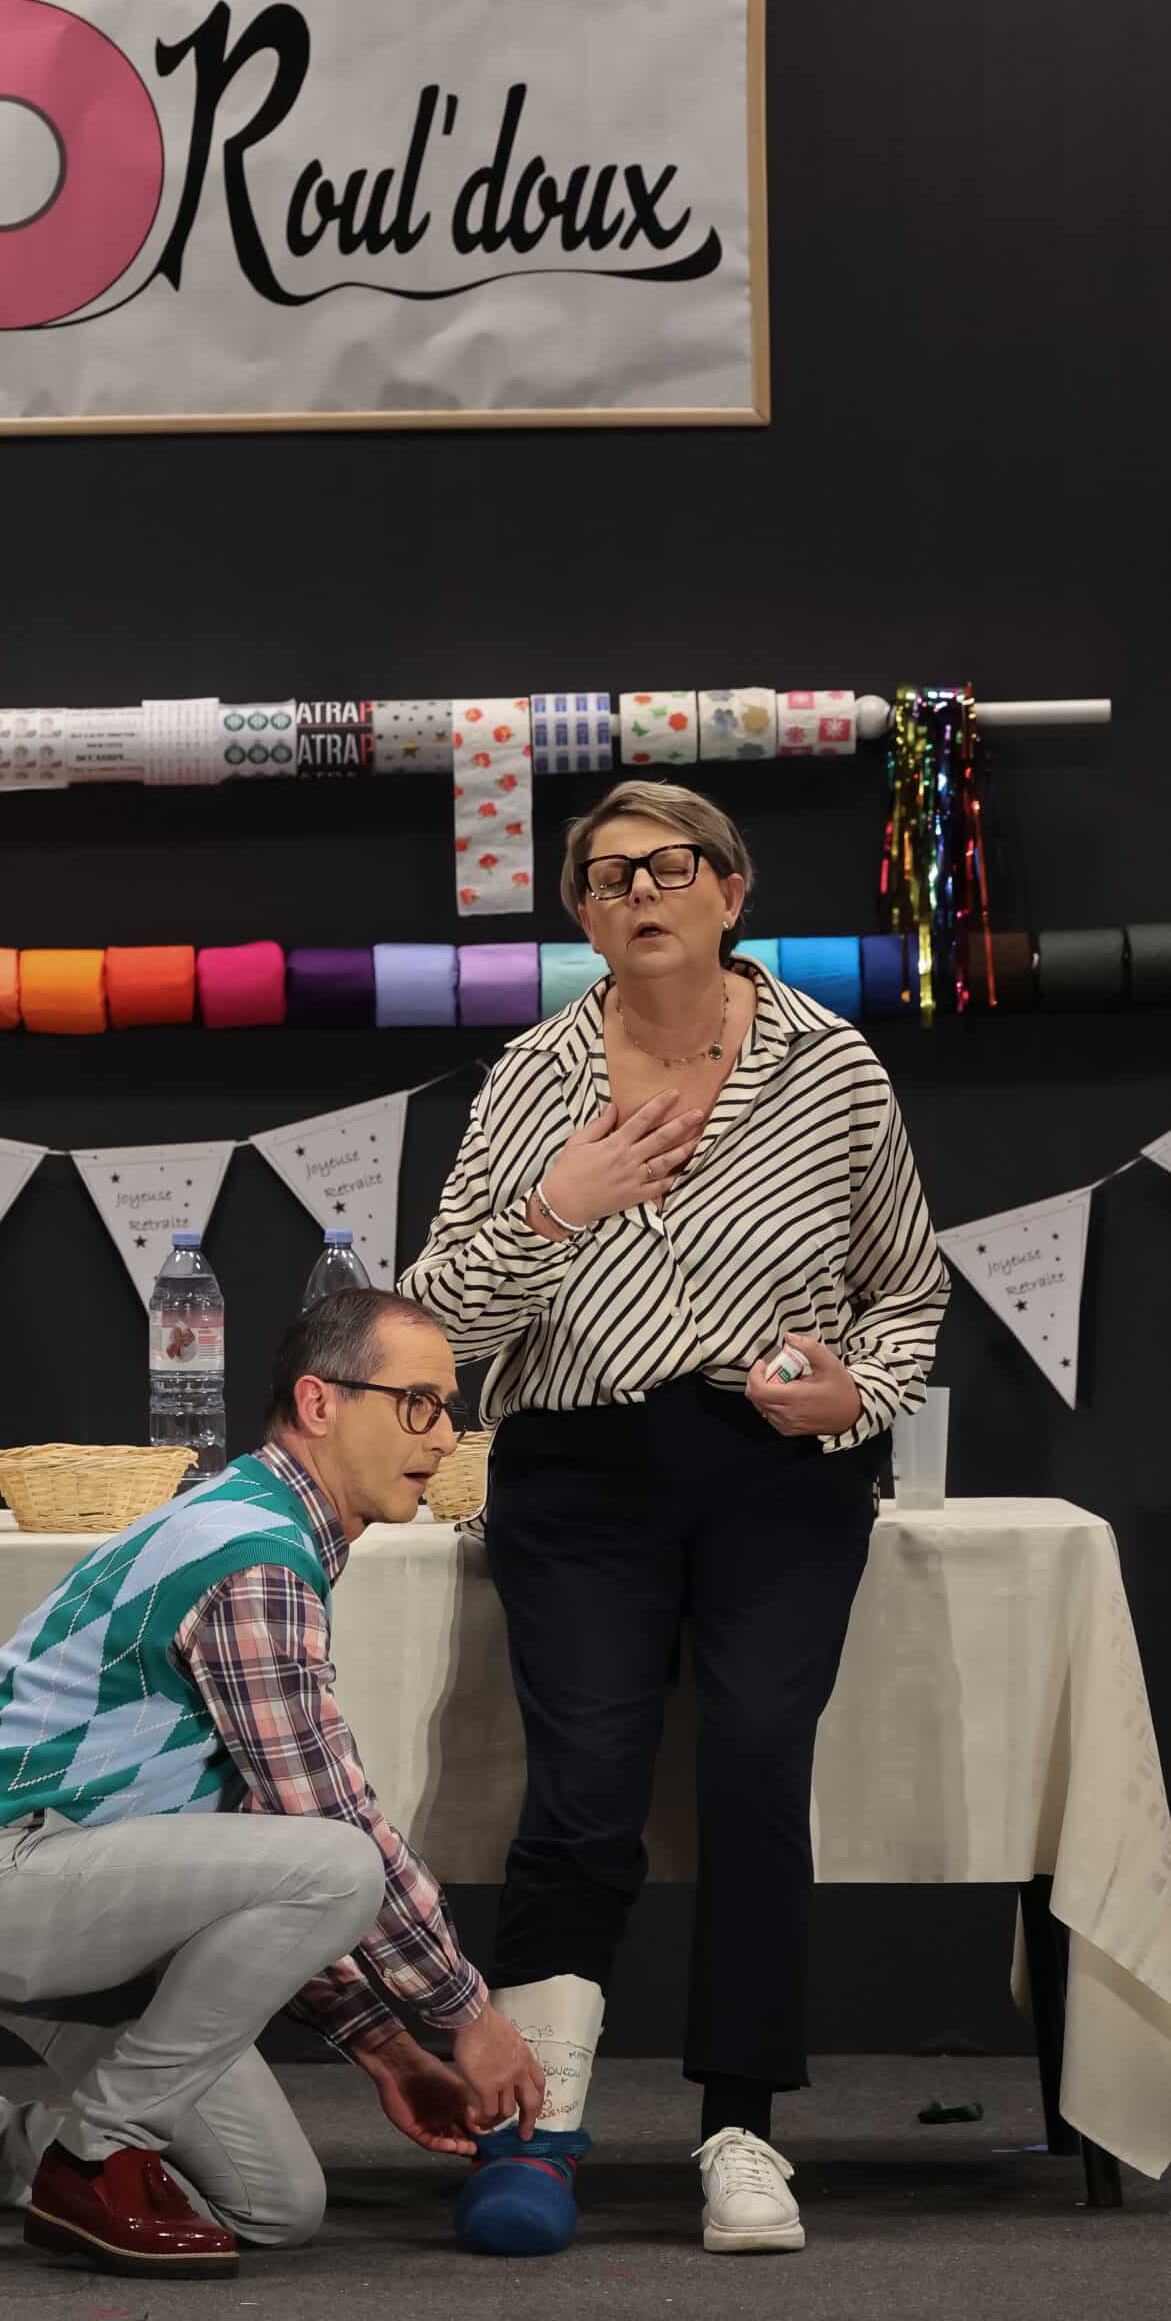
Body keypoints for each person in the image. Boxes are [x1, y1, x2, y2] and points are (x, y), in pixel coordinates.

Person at [402, 778, 950, 2257]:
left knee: (758, 1769)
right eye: (606, 876)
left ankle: (743, 2129)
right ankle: (535, 2130)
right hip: (577, 1472)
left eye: (670, 865)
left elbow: (907, 1290)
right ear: (581, 917)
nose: (640, 891)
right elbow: (439, 1320)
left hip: (778, 1474)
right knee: (582, 1789)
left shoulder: (832, 1067)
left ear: (730, 890)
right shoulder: (528, 1079)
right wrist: (554, 1208)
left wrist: (851, 1393)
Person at [0, 1288, 544, 2276]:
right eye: (418, 1403)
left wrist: (389, 2052)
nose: (442, 1436)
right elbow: (325, 1827)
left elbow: (258, 1868)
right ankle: (99, 2157)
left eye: (449, 1409)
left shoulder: (261, 1520)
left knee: (273, 2204)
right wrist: (468, 2017)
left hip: (86, 1893)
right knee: (341, 1855)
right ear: (319, 1402)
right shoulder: (255, 1559)